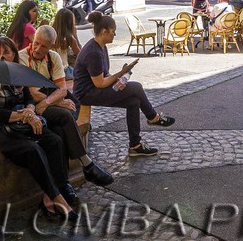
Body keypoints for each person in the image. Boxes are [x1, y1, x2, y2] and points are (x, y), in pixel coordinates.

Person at [0, 38, 75, 219]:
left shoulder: (18, 75)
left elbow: (29, 99)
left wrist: (30, 110)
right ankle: (58, 198)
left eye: (6, 52)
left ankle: (49, 196)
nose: (1, 57)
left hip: (21, 123)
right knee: (33, 149)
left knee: (54, 141)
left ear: (14, 55)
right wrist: (26, 116)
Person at [20, 25, 112, 186]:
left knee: (59, 132)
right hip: (34, 106)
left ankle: (64, 184)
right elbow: (32, 93)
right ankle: (87, 164)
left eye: (44, 46)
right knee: (64, 115)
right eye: (36, 43)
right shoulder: (23, 57)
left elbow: (62, 90)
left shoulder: (53, 57)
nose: (38, 48)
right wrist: (60, 103)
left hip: (46, 103)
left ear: (50, 47)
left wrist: (50, 101)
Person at [73, 12, 173, 156]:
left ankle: (135, 145)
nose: (114, 35)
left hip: (94, 88)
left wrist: (120, 78)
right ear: (104, 31)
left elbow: (104, 74)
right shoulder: (93, 52)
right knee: (136, 87)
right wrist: (121, 73)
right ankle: (153, 117)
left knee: (133, 101)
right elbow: (100, 83)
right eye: (113, 32)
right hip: (87, 93)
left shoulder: (101, 46)